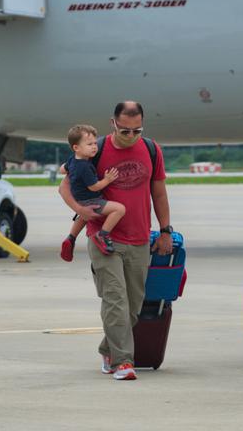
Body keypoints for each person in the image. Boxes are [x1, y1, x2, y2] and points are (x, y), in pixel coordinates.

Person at [58, 102, 172, 381]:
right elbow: (64, 185)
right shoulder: (93, 150)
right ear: (113, 123)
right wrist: (80, 214)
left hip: (140, 238)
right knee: (115, 301)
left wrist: (166, 230)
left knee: (133, 306)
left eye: (137, 130)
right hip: (102, 237)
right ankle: (123, 362)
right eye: (125, 130)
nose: (130, 136)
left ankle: (107, 348)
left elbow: (158, 193)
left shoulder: (151, 149)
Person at [59, 124, 126, 261]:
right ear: (76, 148)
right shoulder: (84, 166)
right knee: (119, 209)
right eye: (89, 144)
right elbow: (94, 187)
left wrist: (69, 170)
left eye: (95, 143)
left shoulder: (72, 160)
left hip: (80, 200)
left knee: (84, 216)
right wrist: (108, 179)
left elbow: (62, 169)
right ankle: (102, 235)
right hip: (92, 200)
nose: (95, 146)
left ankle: (71, 238)